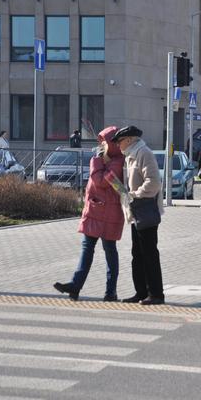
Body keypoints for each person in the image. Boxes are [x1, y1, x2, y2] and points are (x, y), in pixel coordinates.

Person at [53, 126, 125, 301]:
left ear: (112, 144)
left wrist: (97, 161)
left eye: (104, 143)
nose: (101, 146)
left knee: (110, 251)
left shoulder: (117, 162)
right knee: (87, 249)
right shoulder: (104, 160)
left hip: (109, 214)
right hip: (95, 211)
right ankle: (75, 285)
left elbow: (100, 181)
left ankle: (110, 292)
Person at [112, 125, 165, 305]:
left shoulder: (144, 153)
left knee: (149, 253)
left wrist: (135, 194)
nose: (118, 145)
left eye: (120, 141)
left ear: (129, 139)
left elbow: (154, 182)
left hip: (146, 209)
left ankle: (156, 294)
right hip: (136, 211)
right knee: (137, 254)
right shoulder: (130, 156)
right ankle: (141, 292)